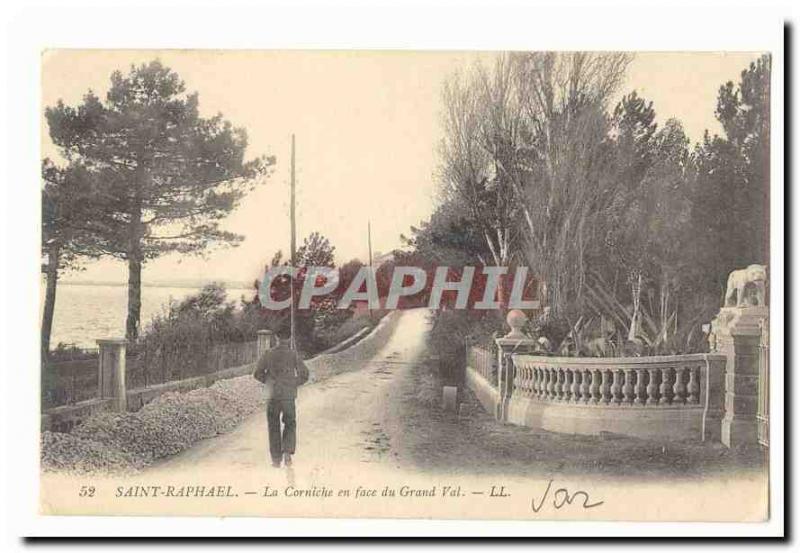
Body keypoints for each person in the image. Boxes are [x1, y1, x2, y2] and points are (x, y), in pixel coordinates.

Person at [253, 330, 310, 468]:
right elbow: (305, 374)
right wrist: (293, 383)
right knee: (290, 423)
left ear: (276, 337)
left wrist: (269, 382)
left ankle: (276, 459)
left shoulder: (268, 354)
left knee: (273, 426)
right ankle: (287, 453)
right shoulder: (293, 354)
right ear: (289, 338)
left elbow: (257, 373)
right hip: (288, 396)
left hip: (273, 395)